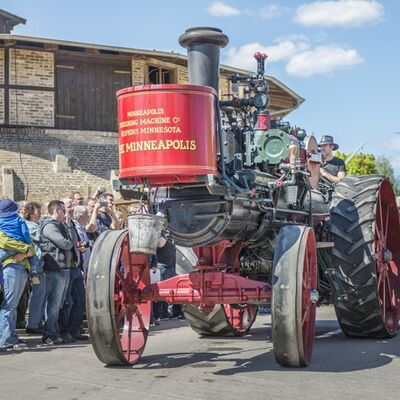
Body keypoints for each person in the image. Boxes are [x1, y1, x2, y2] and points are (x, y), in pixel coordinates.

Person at [0, 199, 34, 351]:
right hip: (11, 267)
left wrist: (27, 251)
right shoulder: (17, 222)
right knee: (9, 304)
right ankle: (6, 339)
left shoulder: (13, 221)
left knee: (12, 305)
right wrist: (26, 249)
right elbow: (5, 241)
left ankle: (10, 335)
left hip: (19, 266)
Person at [40, 200, 74, 345]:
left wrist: (69, 224)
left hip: (63, 268)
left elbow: (71, 242)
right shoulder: (49, 226)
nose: (65, 213)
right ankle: (49, 334)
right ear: (56, 211)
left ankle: (54, 332)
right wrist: (70, 243)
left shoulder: (60, 225)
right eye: (62, 210)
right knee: (53, 304)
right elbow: (65, 244)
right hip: (55, 269)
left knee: (59, 304)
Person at [24, 201, 47, 334]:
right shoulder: (31, 226)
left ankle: (35, 322)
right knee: (38, 295)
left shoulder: (34, 225)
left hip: (37, 265)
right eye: (38, 211)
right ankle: (33, 324)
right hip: (35, 265)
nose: (40, 213)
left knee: (39, 295)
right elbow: (42, 237)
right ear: (32, 212)